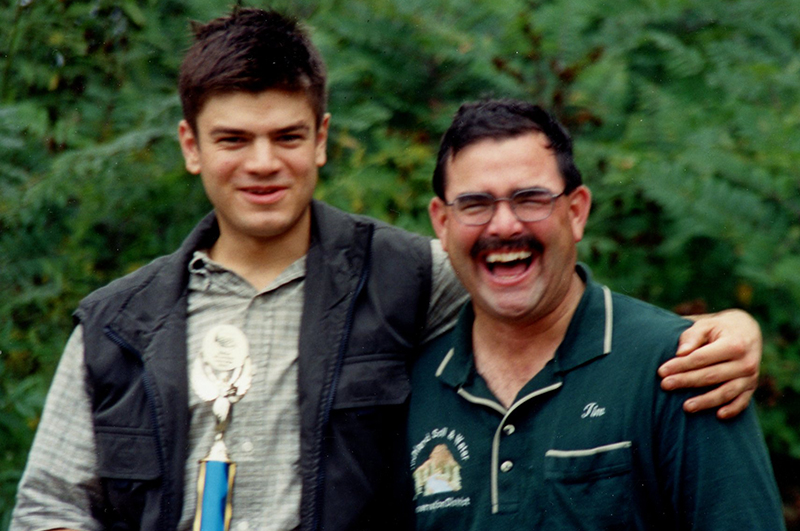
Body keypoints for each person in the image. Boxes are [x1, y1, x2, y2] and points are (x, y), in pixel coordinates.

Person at [10, 8, 763, 531]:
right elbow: (51, 505)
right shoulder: (118, 326)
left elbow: (538, 290)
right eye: (233, 138)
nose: (263, 162)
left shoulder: (410, 276)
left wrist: (731, 329)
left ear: (323, 138)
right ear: (190, 144)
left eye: (287, 135)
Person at [408, 99, 784, 530]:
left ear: (576, 212)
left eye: (530, 199)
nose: (504, 225)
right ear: (442, 222)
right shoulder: (414, 385)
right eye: (475, 204)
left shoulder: (682, 367)